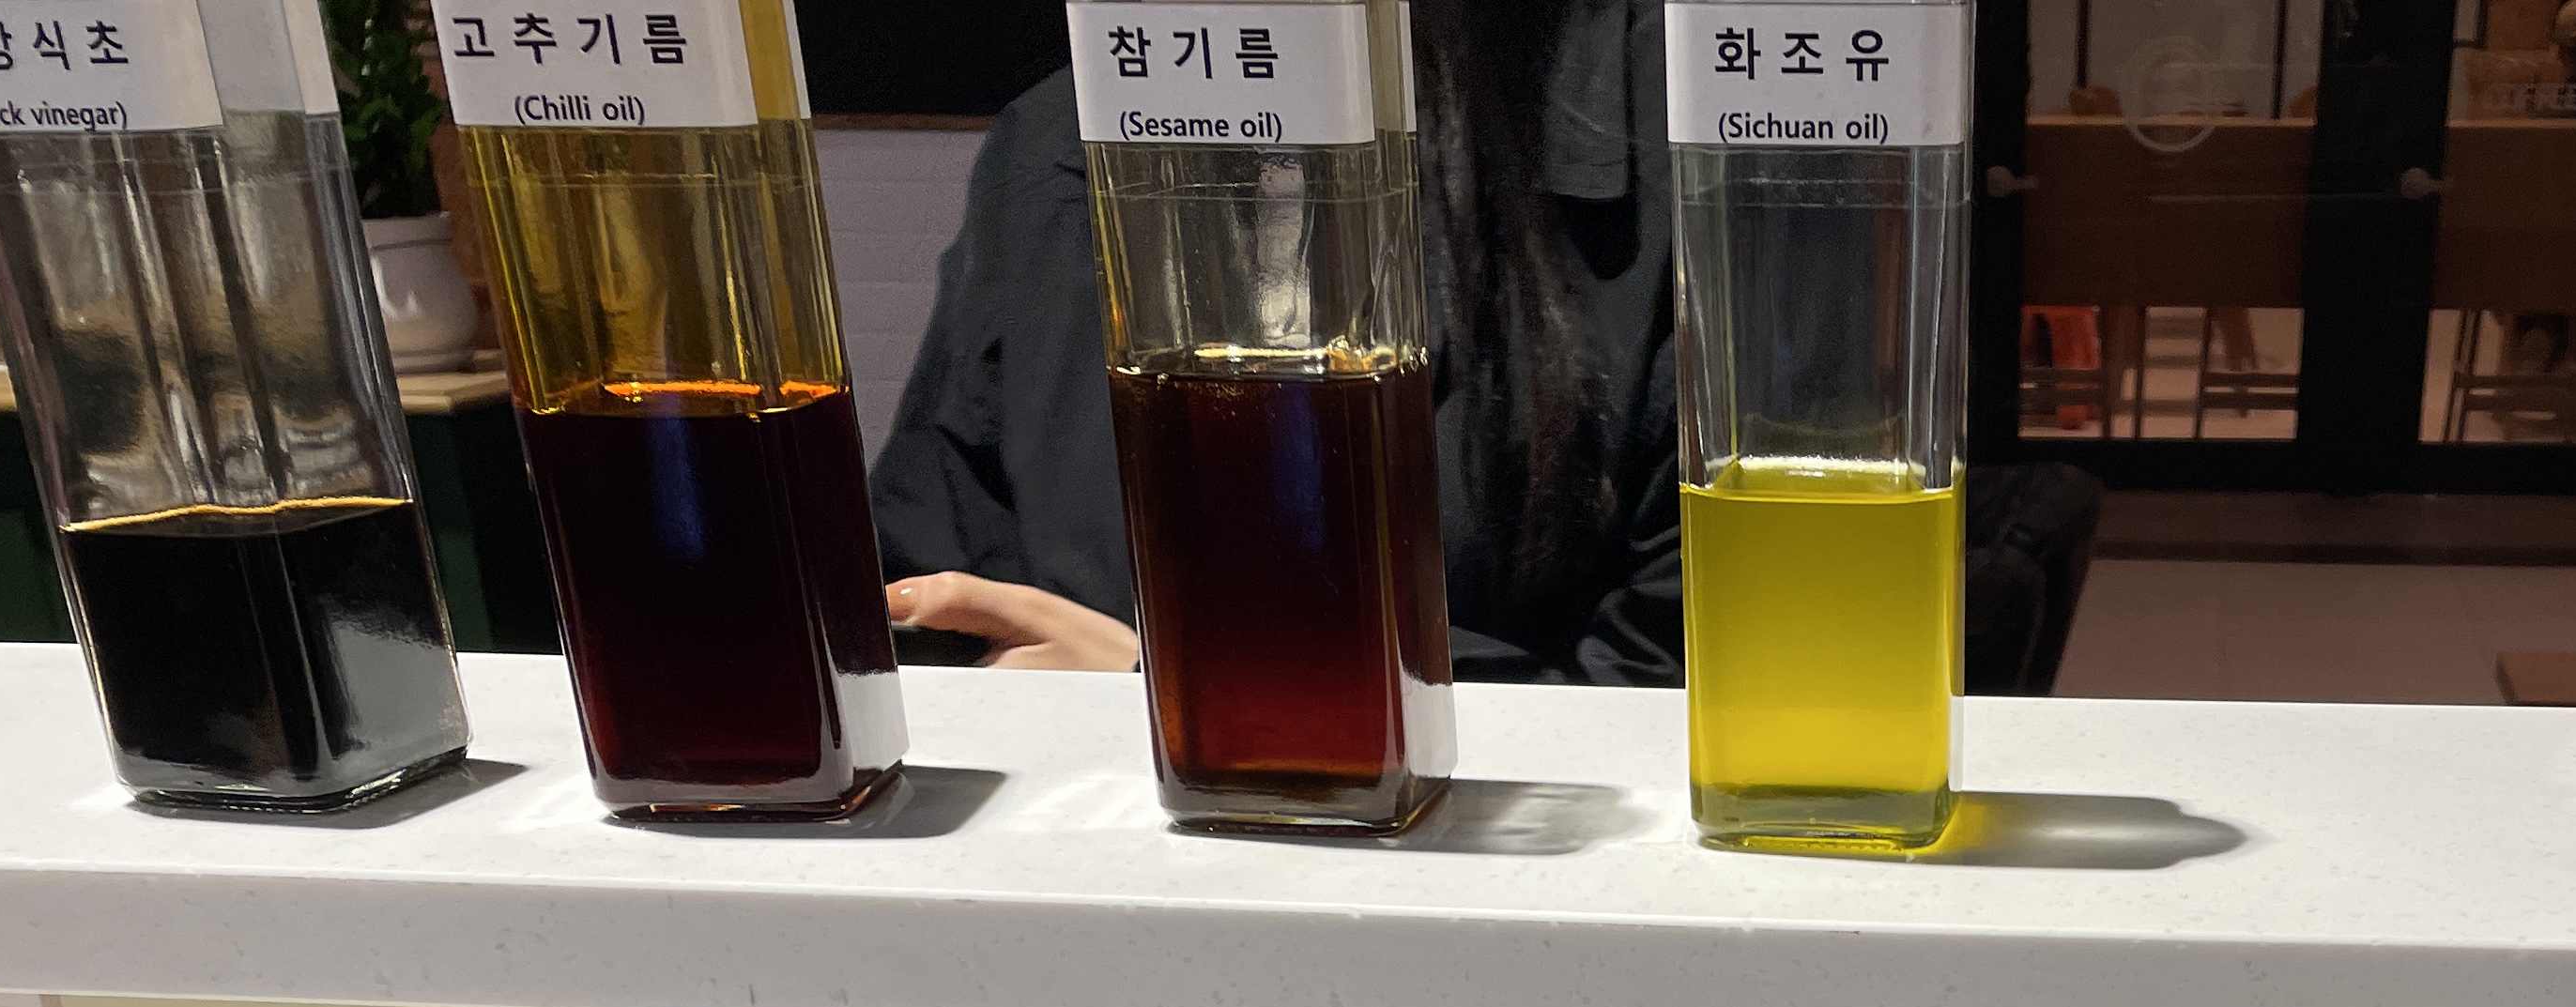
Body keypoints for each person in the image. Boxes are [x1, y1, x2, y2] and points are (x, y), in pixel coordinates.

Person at [871, 0, 2097, 696]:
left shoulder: (1735, 137)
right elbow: (928, 576)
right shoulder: (1062, 136)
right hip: (1079, 910)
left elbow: (1757, 690)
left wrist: (1191, 702)